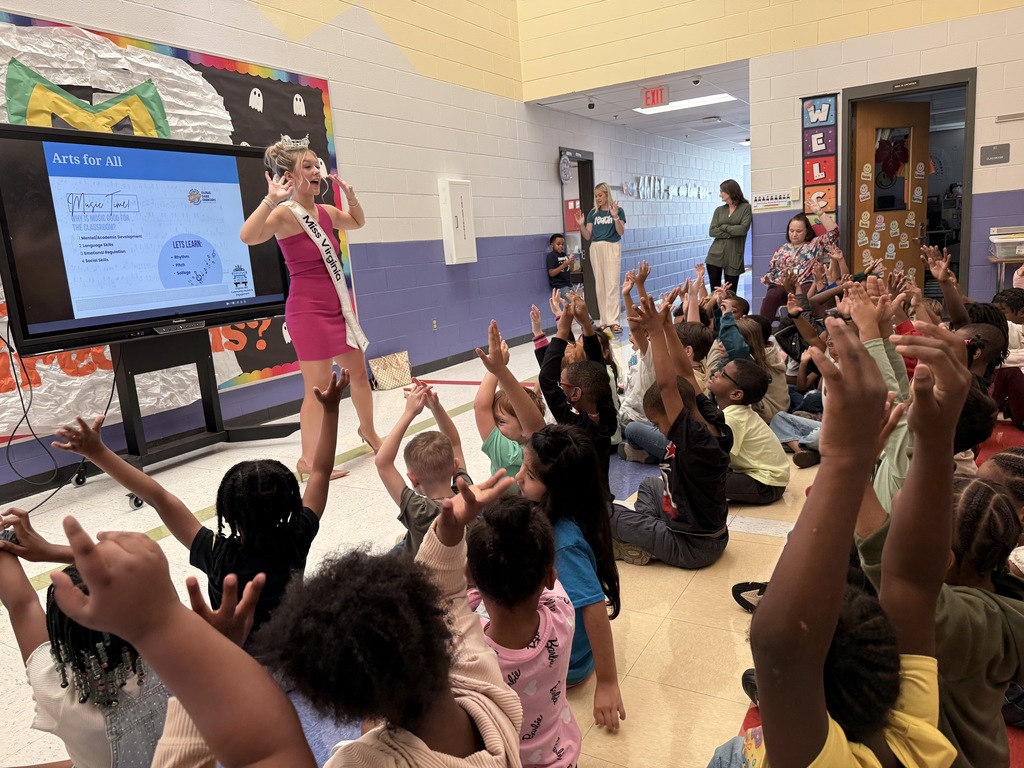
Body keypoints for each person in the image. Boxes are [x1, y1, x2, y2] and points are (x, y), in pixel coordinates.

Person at [50, 474, 520, 768]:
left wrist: (181, 644)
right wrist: (450, 530)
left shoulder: (362, 761)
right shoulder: (489, 696)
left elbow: (262, 753)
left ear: (349, 710)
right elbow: (450, 596)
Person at [736, 318, 962, 768]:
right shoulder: (913, 733)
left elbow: (782, 644)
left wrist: (845, 460)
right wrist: (932, 440)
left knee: (732, 754)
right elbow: (914, 581)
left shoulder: (828, 759)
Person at [52, 372, 347, 638]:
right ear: (289, 507)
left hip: (237, 656)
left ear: (229, 514)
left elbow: (158, 497)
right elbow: (320, 471)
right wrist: (331, 410)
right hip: (291, 647)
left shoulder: (218, 554)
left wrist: (97, 452)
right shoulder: (298, 537)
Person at [240, 135, 380, 480]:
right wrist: (269, 201)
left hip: (338, 310)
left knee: (358, 375)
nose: (316, 171)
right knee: (318, 389)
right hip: (307, 312)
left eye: (317, 165)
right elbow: (248, 236)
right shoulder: (286, 215)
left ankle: (369, 432)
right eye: (307, 166)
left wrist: (352, 198)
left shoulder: (328, 213)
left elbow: (357, 222)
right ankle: (307, 460)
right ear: (289, 174)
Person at [0, 529, 170, 768]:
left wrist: (4, 541)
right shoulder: (179, 653)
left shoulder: (60, 693)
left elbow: (23, 604)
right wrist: (52, 550)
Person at [609, 294, 733, 569]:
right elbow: (686, 373)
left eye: (658, 423)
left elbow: (667, 386)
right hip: (708, 532)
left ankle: (646, 539)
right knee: (649, 485)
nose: (658, 429)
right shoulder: (712, 420)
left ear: (675, 414)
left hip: (691, 545)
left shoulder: (694, 440)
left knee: (607, 515)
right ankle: (646, 537)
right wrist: (666, 327)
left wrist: (654, 332)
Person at [516, 424, 625, 732]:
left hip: (568, 664)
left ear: (558, 488)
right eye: (523, 466)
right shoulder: (566, 509)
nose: (518, 476)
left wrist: (607, 683)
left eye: (531, 475)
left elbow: (593, 609)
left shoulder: (563, 542)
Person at [465, 496, 581, 768]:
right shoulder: (563, 613)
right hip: (563, 757)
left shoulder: (468, 653)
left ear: (471, 576)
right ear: (550, 578)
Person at [374, 379, 471, 556]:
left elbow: (382, 462)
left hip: (424, 578)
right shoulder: (467, 493)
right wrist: (436, 406)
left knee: (398, 551)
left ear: (413, 479)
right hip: (461, 573)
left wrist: (409, 413)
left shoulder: (418, 511)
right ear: (455, 466)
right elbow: (455, 443)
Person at [537, 295, 618, 485]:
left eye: (562, 385)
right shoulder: (607, 417)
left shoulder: (576, 426)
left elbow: (546, 379)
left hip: (578, 508)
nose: (559, 386)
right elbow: (598, 366)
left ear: (575, 393)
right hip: (601, 501)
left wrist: (563, 330)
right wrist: (586, 325)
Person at [473, 319, 547, 495]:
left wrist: (497, 368)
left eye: (500, 421)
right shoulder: (538, 445)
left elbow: (480, 406)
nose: (495, 425)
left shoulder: (507, 453)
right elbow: (519, 406)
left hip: (508, 513)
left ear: (523, 428)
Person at [707, 358, 790, 505]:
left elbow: (717, 456)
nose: (717, 373)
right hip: (764, 478)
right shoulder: (733, 411)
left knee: (701, 478)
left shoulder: (733, 417)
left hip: (765, 485)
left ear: (736, 394)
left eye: (724, 374)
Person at [759, 198, 838, 323]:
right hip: (782, 284)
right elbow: (772, 269)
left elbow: (834, 233)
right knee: (771, 295)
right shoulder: (782, 248)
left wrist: (820, 213)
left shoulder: (814, 244)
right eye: (791, 231)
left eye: (798, 231)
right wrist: (768, 277)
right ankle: (760, 332)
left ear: (806, 231)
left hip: (805, 283)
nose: (794, 234)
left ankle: (802, 334)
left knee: (805, 299)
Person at [574, 182, 626, 332]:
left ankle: (613, 320)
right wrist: (581, 225)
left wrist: (615, 217)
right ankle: (604, 321)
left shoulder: (618, 210)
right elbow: (587, 235)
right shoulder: (593, 213)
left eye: (600, 195)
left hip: (612, 245)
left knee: (612, 283)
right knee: (600, 285)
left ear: (607, 194)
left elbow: (621, 232)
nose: (597, 198)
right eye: (596, 196)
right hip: (596, 247)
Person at [706, 179, 752, 291]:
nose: (720, 194)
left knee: (730, 293)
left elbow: (742, 230)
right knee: (715, 292)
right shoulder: (719, 210)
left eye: (722, 191)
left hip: (734, 257)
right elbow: (712, 231)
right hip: (715, 255)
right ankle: (716, 310)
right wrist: (732, 233)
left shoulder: (746, 208)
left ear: (731, 192)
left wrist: (723, 227)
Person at [546, 233, 574, 302]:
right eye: (558, 244)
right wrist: (564, 265)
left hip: (568, 284)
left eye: (562, 244)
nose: (561, 246)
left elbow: (571, 269)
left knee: (576, 303)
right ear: (552, 245)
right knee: (573, 304)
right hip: (560, 286)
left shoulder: (564, 254)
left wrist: (571, 263)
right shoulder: (551, 256)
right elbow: (551, 273)